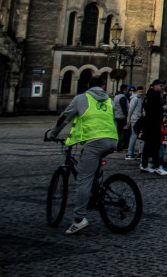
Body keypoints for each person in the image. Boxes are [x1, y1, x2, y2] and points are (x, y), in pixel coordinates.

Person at [46, 72, 118, 235]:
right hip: (112, 140)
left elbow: (64, 118)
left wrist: (52, 134)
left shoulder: (81, 98)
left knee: (83, 179)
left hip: (95, 142)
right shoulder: (109, 100)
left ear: (87, 86)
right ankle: (97, 189)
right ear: (103, 86)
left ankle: (79, 219)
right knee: (93, 170)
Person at [140, 79, 167, 175]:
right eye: (160, 85)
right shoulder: (153, 95)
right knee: (155, 146)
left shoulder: (152, 95)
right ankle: (156, 166)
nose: (161, 87)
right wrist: (162, 108)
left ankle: (145, 165)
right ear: (155, 86)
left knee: (149, 146)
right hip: (152, 124)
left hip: (152, 124)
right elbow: (153, 110)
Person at [125, 86, 144, 160]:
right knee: (134, 136)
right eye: (139, 92)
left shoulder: (140, 99)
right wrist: (128, 120)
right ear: (136, 92)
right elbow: (130, 110)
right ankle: (129, 153)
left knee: (136, 136)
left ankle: (132, 152)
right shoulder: (135, 99)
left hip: (138, 119)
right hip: (134, 119)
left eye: (142, 92)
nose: (140, 93)